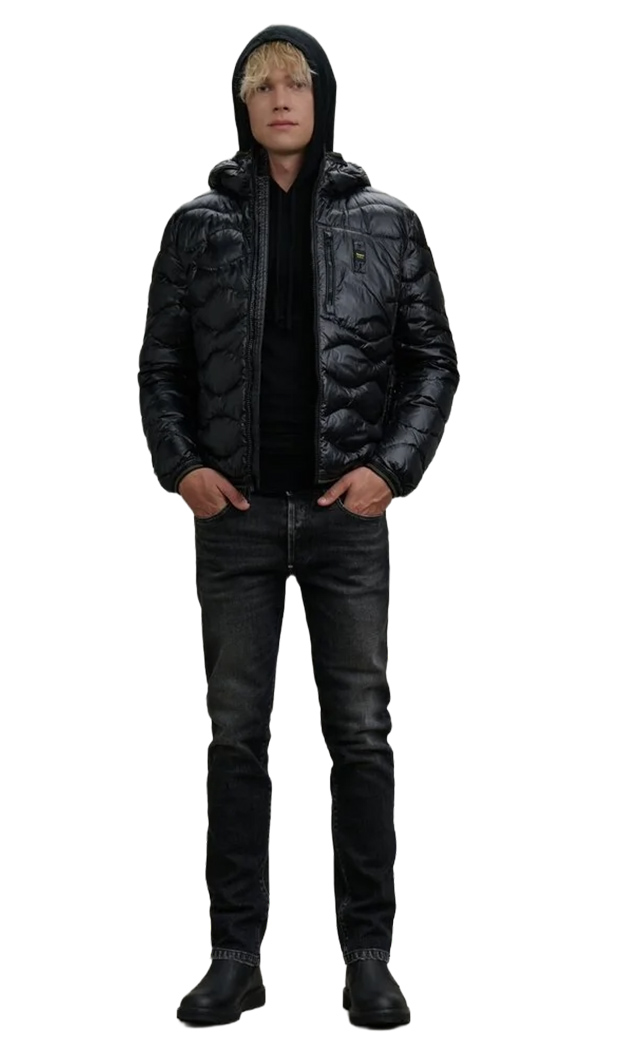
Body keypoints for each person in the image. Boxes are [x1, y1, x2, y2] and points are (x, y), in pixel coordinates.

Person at [138, 25, 459, 1028]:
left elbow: (433, 362)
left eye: (296, 83)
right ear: (242, 105)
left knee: (360, 734)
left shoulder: (387, 225)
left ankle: (369, 960)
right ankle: (235, 958)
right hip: (233, 520)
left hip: (342, 521)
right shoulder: (197, 229)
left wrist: (391, 470)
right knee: (236, 736)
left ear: (323, 98)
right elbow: (160, 368)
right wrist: (183, 467)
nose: (280, 99)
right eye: (262, 86)